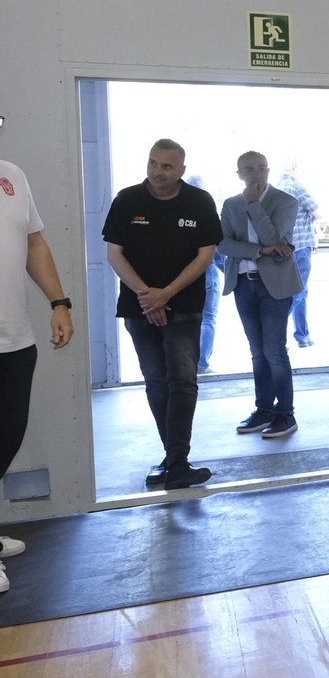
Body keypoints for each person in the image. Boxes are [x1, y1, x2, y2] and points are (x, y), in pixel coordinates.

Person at [103, 139, 223, 490]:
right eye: (153, 163)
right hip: (139, 309)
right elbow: (114, 254)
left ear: (181, 171)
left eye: (167, 166)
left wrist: (166, 294)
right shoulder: (127, 200)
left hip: (184, 309)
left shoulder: (199, 202)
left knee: (183, 382)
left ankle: (176, 461)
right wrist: (147, 296)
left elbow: (205, 256)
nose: (158, 171)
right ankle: (174, 460)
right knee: (156, 382)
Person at [0, 159, 73, 591]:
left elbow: (34, 243)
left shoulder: (13, 176)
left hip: (14, 339)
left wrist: (58, 302)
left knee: (8, 436)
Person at [219, 151, 303, 439]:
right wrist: (260, 252)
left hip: (275, 286)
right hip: (243, 284)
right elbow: (224, 245)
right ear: (239, 174)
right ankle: (264, 409)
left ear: (268, 170)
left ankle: (285, 413)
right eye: (248, 170)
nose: (255, 174)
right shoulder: (230, 204)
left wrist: (254, 204)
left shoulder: (285, 202)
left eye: (260, 169)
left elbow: (273, 237)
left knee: (274, 351)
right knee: (257, 352)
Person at [275, 165, 321, 348]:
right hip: (301, 246)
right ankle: (276, 331)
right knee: (299, 291)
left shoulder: (276, 187)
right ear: (294, 169)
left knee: (298, 290)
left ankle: (302, 335)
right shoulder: (296, 186)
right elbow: (317, 212)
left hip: (284, 247)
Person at [185, 174, 224, 374]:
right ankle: (201, 364)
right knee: (208, 318)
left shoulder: (179, 214)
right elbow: (217, 249)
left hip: (184, 277)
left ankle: (186, 363)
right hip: (208, 274)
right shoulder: (209, 214)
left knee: (188, 319)